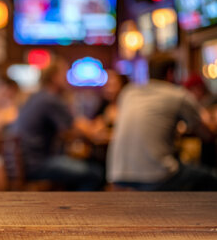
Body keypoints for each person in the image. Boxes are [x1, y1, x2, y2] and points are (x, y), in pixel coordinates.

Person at [108, 55, 217, 191]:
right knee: (211, 178)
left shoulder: (128, 92)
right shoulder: (178, 94)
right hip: (156, 176)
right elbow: (206, 134)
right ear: (170, 73)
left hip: (118, 175)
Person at [13, 59, 105, 191]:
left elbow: (67, 131)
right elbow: (79, 128)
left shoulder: (38, 96)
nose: (67, 79)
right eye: (64, 75)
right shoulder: (50, 99)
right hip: (39, 164)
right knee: (95, 174)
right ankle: (82, 210)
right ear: (55, 78)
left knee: (80, 170)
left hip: (29, 162)